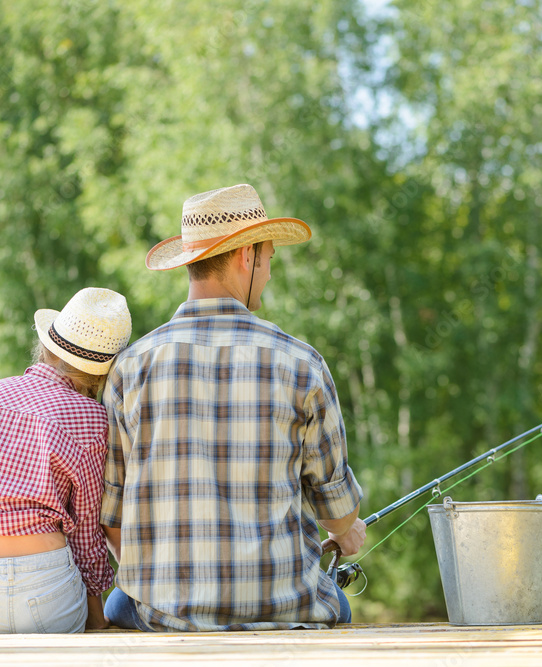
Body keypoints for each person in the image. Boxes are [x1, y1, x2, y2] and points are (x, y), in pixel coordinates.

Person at [101, 183, 365, 632]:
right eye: (268, 260)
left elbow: (114, 518)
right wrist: (346, 532)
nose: (267, 274)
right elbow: (338, 513)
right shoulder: (302, 364)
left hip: (164, 615)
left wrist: (166, 586)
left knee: (118, 605)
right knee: (342, 604)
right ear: (248, 257)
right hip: (287, 608)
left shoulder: (131, 368)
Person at [0, 287, 131, 634]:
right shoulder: (92, 418)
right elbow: (87, 531)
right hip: (49, 595)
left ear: (47, 346)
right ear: (100, 375)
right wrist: (95, 614)